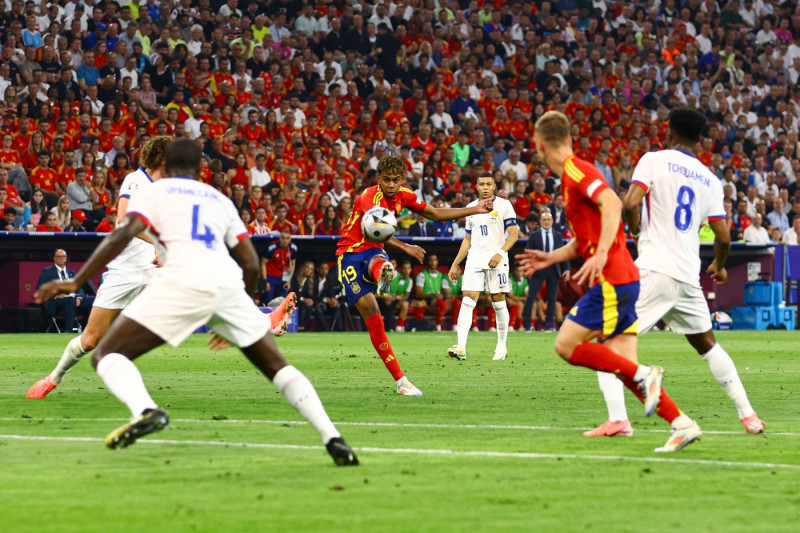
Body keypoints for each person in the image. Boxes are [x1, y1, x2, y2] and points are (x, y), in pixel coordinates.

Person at [34, 139, 357, 466]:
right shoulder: (219, 199)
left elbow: (122, 231)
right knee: (278, 368)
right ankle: (334, 438)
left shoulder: (156, 191)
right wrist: (233, 311)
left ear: (166, 166)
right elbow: (248, 261)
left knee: (107, 354)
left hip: (182, 280)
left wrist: (76, 280)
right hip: (225, 282)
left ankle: (145, 410)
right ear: (201, 169)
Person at [516, 111, 701, 453]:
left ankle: (646, 374)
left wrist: (600, 255)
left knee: (566, 346)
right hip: (625, 278)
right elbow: (587, 236)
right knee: (625, 369)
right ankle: (681, 423)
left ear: (538, 144)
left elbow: (613, 201)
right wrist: (553, 257)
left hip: (613, 280)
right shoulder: (573, 178)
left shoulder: (575, 170)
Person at [585, 107, 764, 438]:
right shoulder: (710, 180)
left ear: (668, 132)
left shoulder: (654, 160)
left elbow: (630, 203)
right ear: (700, 140)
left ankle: (619, 419)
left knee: (606, 341)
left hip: (655, 268)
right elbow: (723, 236)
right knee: (708, 345)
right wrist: (719, 265)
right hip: (687, 273)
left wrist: (637, 231)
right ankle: (749, 415)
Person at [335, 155, 493, 396]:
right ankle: (383, 284)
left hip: (374, 251)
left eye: (395, 180)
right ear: (378, 179)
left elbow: (435, 214)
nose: (390, 185)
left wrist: (475, 209)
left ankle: (401, 381)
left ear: (402, 180)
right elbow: (378, 230)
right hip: (350, 254)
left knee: (380, 262)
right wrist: (407, 247)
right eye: (386, 180)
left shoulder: (405, 195)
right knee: (374, 317)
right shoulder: (369, 198)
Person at [447, 173, 519, 361]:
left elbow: (513, 234)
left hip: (498, 259)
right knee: (468, 299)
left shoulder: (504, 205)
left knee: (497, 300)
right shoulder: (471, 208)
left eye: (488, 184)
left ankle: (501, 346)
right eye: (481, 184)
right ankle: (461, 347)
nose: (485, 187)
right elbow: (468, 239)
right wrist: (455, 264)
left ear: (494, 186)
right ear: (476, 187)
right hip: (475, 259)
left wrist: (500, 253)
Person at [522, 212, 570, 332]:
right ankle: (527, 325)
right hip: (538, 269)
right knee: (531, 297)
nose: (546, 222)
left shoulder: (558, 236)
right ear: (540, 221)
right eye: (544, 220)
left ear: (552, 221)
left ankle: (549, 325)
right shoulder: (534, 235)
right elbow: (528, 252)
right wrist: (528, 266)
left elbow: (563, 253)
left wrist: (567, 269)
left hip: (554, 269)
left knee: (552, 298)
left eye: (548, 219)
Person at [36, 249, 89, 333]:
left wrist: (79, 298)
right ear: (54, 258)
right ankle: (69, 331)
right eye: (59, 256)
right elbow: (40, 288)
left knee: (94, 300)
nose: (61, 258)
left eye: (63, 256)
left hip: (73, 298)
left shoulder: (72, 272)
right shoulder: (47, 271)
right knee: (70, 301)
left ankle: (88, 330)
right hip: (55, 301)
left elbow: (79, 288)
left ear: (66, 258)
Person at [261, 229, 297, 303]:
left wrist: (289, 280)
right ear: (279, 238)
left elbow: (292, 264)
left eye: (287, 238)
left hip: (284, 277)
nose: (285, 240)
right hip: (270, 276)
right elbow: (263, 263)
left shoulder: (293, 248)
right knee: (268, 301)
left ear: (290, 239)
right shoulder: (271, 248)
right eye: (283, 238)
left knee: (282, 302)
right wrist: (265, 281)